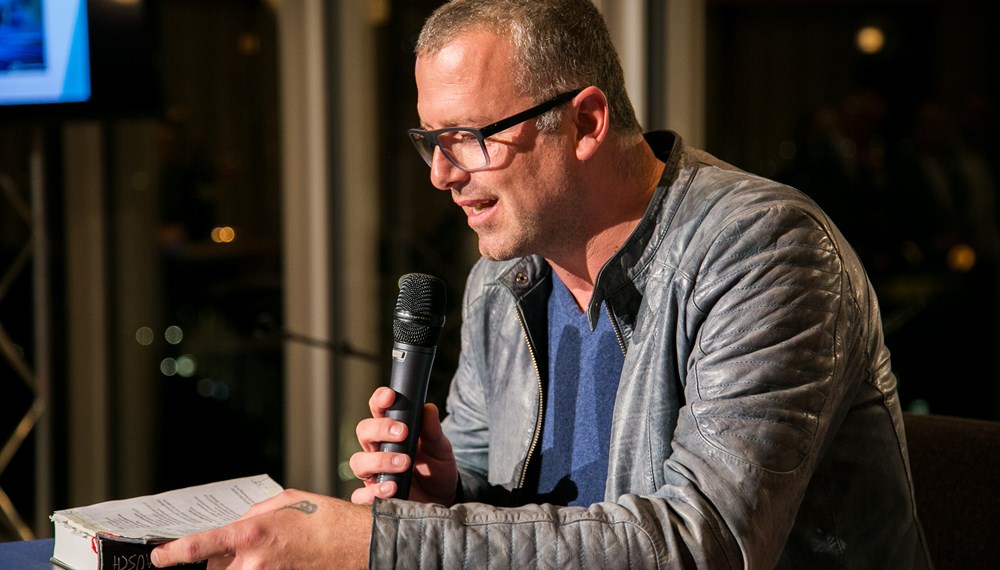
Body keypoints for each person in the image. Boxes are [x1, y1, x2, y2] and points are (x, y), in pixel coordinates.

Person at [152, 0, 931, 567]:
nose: (440, 174)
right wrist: (446, 499)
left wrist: (385, 545)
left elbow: (708, 546)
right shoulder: (502, 280)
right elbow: (510, 522)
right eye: (431, 139)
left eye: (469, 138)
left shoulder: (762, 250)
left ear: (587, 122)